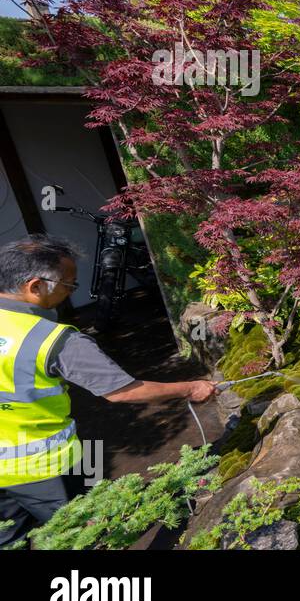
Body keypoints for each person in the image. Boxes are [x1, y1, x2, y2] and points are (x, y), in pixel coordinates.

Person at [0, 234, 219, 548]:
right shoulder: (53, 340)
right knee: (81, 536)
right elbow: (121, 391)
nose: (70, 292)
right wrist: (191, 387)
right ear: (36, 286)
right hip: (47, 469)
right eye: (69, 285)